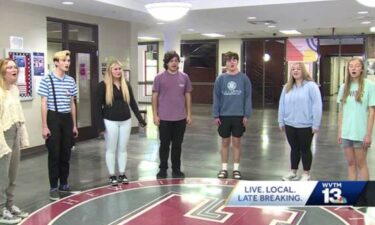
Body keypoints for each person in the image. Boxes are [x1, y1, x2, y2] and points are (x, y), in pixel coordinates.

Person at [96, 59, 146, 186]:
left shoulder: (126, 84)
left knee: (122, 149)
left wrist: (140, 119)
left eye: (120, 69)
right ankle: (112, 175)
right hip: (110, 121)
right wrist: (100, 125)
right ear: (110, 71)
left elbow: (133, 103)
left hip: (126, 121)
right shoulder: (103, 85)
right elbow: (97, 107)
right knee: (111, 149)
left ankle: (122, 174)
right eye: (115, 69)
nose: (118, 71)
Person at [37, 50, 78, 201]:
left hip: (67, 118)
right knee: (54, 153)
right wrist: (44, 126)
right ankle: (53, 186)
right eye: (64, 60)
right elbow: (43, 103)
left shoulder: (71, 80)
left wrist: (74, 125)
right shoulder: (47, 80)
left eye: (68, 60)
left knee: (66, 153)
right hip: (53, 117)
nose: (67, 63)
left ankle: (64, 184)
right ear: (56, 62)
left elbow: (72, 103)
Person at [278, 62, 322, 181]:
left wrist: (316, 124)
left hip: (306, 125)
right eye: (293, 69)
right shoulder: (287, 87)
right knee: (294, 148)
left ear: (303, 71)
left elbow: (317, 105)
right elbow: (281, 104)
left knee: (305, 149)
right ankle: (293, 172)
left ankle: (306, 174)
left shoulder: (311, 86)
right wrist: (280, 121)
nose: (295, 71)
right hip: (290, 124)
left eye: (298, 69)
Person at [152, 50, 192, 179]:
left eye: (176, 61)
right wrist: (154, 115)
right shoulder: (159, 78)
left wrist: (189, 114)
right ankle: (163, 168)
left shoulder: (184, 77)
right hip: (164, 118)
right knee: (164, 145)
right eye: (171, 61)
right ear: (166, 63)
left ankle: (176, 169)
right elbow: (154, 96)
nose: (174, 63)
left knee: (177, 146)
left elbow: (187, 95)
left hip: (180, 118)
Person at [213, 51, 252, 180]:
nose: (232, 62)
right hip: (224, 115)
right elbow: (216, 98)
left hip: (238, 116)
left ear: (237, 62)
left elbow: (247, 98)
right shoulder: (221, 79)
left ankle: (236, 169)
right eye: (229, 60)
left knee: (236, 142)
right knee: (224, 142)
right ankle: (224, 169)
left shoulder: (244, 78)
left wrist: (246, 115)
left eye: (234, 60)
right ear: (226, 63)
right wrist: (216, 115)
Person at [0, 58, 29, 224]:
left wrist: (22, 136)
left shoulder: (15, 90)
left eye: (15, 67)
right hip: (4, 135)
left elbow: (19, 115)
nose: (14, 69)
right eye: (10, 67)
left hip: (15, 133)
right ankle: (1, 209)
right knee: (2, 175)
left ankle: (10, 205)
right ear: (2, 72)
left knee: (13, 174)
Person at [337, 58, 375, 181]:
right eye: (351, 66)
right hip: (346, 133)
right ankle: (352, 193)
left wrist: (368, 134)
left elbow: (372, 112)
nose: (353, 68)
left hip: (360, 133)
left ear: (362, 69)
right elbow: (342, 111)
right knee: (351, 163)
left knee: (361, 164)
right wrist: (339, 132)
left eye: (357, 66)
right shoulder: (344, 87)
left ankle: (364, 195)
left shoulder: (370, 86)